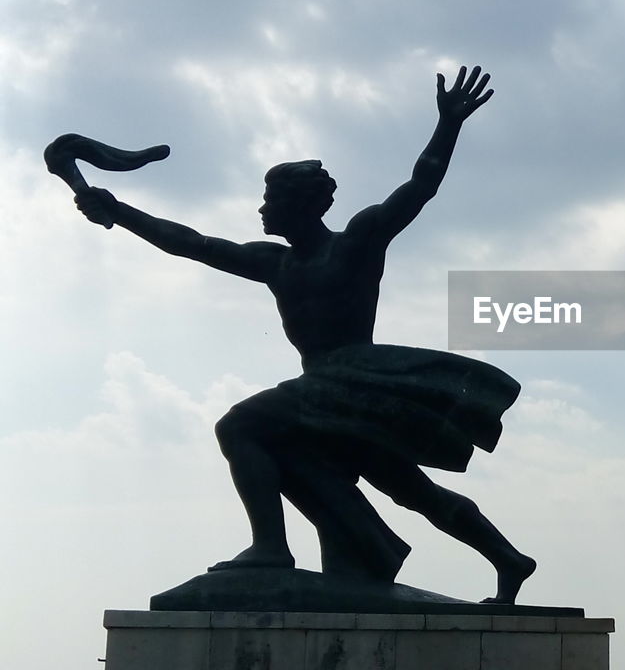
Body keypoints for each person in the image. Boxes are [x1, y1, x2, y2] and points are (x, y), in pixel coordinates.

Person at [70, 66, 535, 603]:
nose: (262, 208)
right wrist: (119, 211)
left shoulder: (355, 243)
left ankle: (270, 547)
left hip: (353, 378)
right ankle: (508, 559)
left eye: (271, 199)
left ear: (299, 204)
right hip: (323, 390)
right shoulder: (275, 263)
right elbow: (192, 243)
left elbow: (420, 186)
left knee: (240, 425)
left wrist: (448, 125)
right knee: (409, 488)